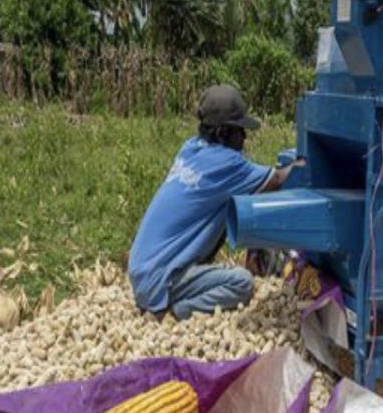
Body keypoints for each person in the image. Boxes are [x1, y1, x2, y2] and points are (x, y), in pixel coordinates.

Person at [128, 85, 302, 320]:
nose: (244, 137)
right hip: (160, 280)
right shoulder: (227, 164)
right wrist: (313, 162)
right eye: (239, 131)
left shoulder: (189, 148)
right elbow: (280, 178)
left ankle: (166, 298)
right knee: (242, 283)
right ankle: (174, 313)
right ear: (222, 133)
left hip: (141, 270)